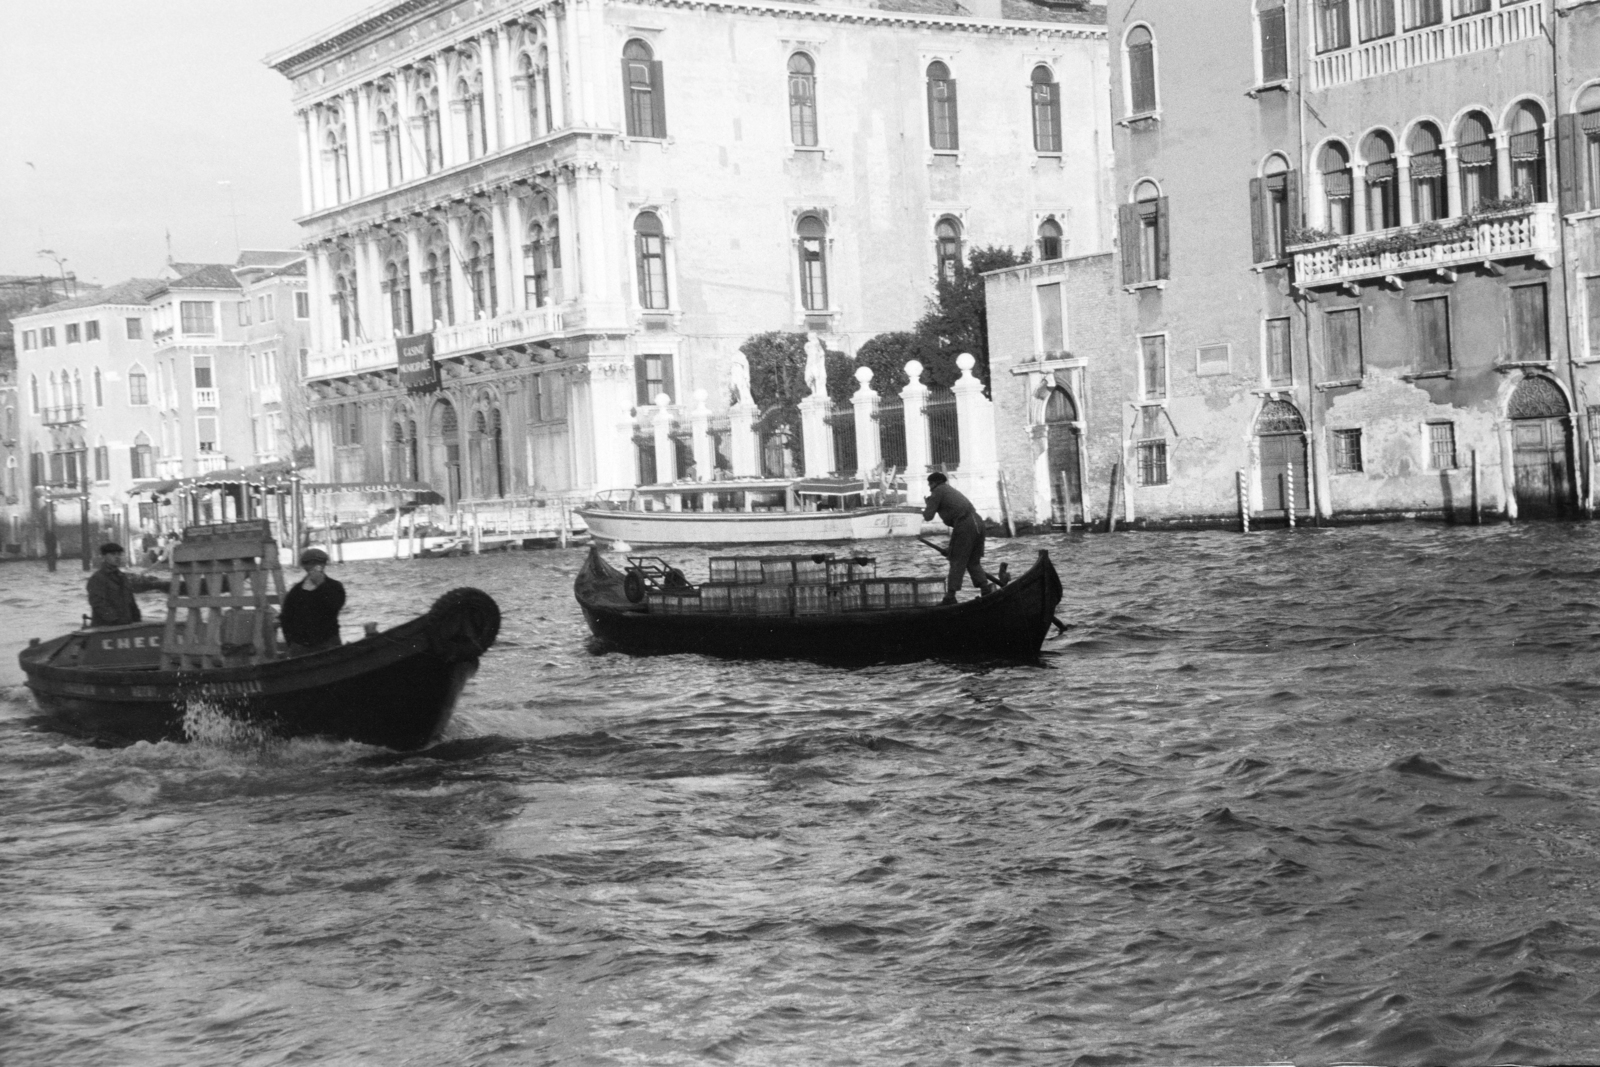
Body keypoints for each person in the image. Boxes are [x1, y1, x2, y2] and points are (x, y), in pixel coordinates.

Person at [922, 472, 997, 605]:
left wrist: (928, 504)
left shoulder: (937, 491)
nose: (929, 488)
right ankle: (985, 589)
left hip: (965, 524)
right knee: (973, 561)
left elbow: (928, 516)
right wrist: (951, 549)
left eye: (930, 484)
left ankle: (950, 596)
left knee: (957, 561)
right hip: (978, 522)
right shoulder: (950, 490)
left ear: (934, 483)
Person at [279, 548, 346, 655]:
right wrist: (291, 644)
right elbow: (285, 618)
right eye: (310, 563)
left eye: (318, 563)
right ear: (305, 566)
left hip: (328, 642)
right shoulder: (295, 591)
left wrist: (321, 585)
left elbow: (335, 605)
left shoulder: (334, 586)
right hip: (300, 646)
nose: (314, 566)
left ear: (324, 565)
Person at [87, 543, 142, 627]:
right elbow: (98, 604)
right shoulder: (97, 578)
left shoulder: (123, 577)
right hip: (105, 628)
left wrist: (137, 619)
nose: (117, 557)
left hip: (125, 626)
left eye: (119, 554)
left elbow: (131, 602)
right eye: (113, 554)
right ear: (104, 556)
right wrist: (115, 620)